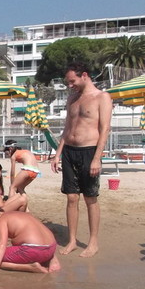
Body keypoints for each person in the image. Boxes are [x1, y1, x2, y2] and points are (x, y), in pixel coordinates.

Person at [50, 61, 112, 258]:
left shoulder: (102, 97)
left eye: (72, 81)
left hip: (89, 151)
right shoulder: (72, 98)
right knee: (71, 197)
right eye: (68, 82)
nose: (70, 85)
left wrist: (97, 158)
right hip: (69, 150)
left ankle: (93, 242)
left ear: (84, 75)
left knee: (90, 198)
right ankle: (72, 241)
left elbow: (105, 129)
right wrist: (58, 154)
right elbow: (67, 128)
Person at [0, 206, 61, 276]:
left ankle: (30, 267)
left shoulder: (1, 220)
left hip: (34, 250)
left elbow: (2, 244)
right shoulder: (21, 214)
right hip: (51, 247)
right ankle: (52, 259)